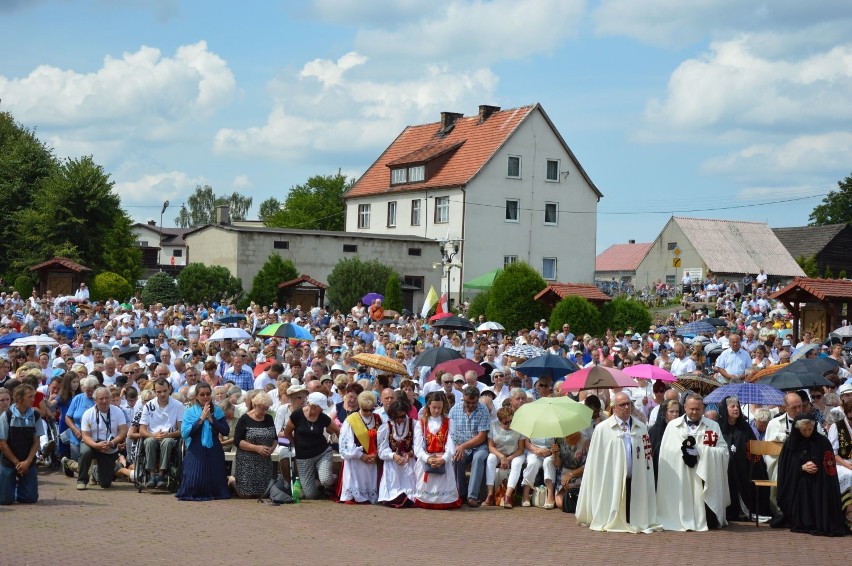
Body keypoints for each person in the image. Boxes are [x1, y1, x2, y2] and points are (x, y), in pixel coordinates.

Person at [576, 392, 660, 532]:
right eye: (622, 405)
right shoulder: (603, 428)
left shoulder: (641, 427)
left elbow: (646, 455)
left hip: (635, 477)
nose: (626, 407)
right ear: (614, 408)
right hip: (612, 477)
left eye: (629, 404)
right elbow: (597, 458)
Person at [656, 393, 730, 531]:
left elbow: (723, 451)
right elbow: (666, 452)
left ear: (703, 408)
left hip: (704, 473)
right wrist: (683, 452)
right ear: (685, 407)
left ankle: (708, 519)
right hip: (681, 473)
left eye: (698, 409)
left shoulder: (712, 426)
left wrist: (701, 451)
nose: (694, 412)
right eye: (691, 409)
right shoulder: (673, 426)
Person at [770, 414, 847, 536]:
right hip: (799, 481)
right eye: (804, 430)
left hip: (820, 481)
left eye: (810, 429)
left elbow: (830, 464)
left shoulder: (823, 442)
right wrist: (801, 467)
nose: (807, 433)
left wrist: (818, 466)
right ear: (798, 429)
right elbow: (785, 467)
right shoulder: (791, 443)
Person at [176, 382, 230, 501]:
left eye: (207, 394)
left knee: (215, 478)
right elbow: (184, 433)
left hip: (214, 447)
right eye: (202, 394)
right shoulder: (189, 412)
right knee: (195, 478)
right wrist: (200, 419)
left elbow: (225, 431)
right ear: (196, 396)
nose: (205, 397)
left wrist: (211, 419)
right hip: (196, 448)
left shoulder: (218, 411)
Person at [718, 395, 769, 521]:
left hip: (744, 467)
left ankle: (745, 509)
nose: (736, 409)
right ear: (725, 409)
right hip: (725, 466)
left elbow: (752, 446)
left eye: (738, 406)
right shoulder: (719, 426)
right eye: (732, 406)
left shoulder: (745, 427)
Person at [282, 392, 341, 500]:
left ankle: (334, 479)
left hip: (322, 452)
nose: (323, 410)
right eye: (321, 407)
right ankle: (319, 487)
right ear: (313, 406)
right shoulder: (297, 415)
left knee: (326, 480)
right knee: (310, 495)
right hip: (303, 457)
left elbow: (337, 430)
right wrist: (295, 443)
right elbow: (287, 432)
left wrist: (342, 446)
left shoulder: (323, 417)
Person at [413, 391, 460, 509]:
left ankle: (444, 499)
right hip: (426, 459)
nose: (436, 410)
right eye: (434, 407)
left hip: (443, 459)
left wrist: (443, 459)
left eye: (439, 407)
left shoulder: (449, 422)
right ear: (428, 405)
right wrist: (427, 459)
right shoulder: (421, 423)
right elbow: (417, 447)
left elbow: (451, 444)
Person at [0, 384, 44, 504]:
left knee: (30, 498)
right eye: (29, 397)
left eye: (33, 396)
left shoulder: (35, 416)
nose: (33, 400)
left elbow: (36, 442)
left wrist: (27, 462)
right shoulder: (7, 416)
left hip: (27, 461)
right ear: (19, 398)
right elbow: (2, 444)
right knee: (4, 500)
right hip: (9, 461)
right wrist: (17, 463)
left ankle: (16, 489)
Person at [77, 386, 128, 490]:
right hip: (92, 444)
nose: (104, 401)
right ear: (95, 400)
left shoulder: (118, 411)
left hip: (110, 445)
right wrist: (96, 445)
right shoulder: (88, 414)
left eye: (107, 398)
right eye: (101, 399)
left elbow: (123, 431)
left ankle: (95, 470)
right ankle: (82, 480)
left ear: (110, 398)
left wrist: (112, 443)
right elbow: (85, 436)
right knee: (85, 452)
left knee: (105, 484)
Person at [139, 378, 185, 489]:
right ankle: (151, 475)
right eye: (159, 392)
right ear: (155, 391)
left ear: (169, 389)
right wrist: (153, 435)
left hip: (170, 437)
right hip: (153, 436)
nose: (162, 394)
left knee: (167, 442)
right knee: (149, 441)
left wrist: (168, 435)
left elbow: (181, 430)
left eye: (165, 390)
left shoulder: (178, 405)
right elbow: (142, 430)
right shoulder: (148, 405)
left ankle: (161, 475)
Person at [229, 390, 276, 498]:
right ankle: (232, 480)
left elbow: (275, 437)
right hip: (247, 460)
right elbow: (237, 441)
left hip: (264, 460)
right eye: (262, 408)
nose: (265, 411)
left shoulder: (269, 418)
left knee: (263, 494)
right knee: (246, 495)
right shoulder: (244, 419)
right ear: (255, 405)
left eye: (267, 408)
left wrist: (272, 448)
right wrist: (256, 448)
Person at [449, 385, 490, 507]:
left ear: (478, 399)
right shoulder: (454, 410)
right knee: (457, 458)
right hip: (460, 445)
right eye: (468, 402)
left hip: (479, 446)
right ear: (463, 398)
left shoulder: (483, 410)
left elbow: (482, 436)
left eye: (474, 402)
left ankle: (472, 496)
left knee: (478, 459)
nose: (471, 405)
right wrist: (457, 446)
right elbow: (451, 433)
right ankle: (460, 494)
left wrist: (463, 446)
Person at [339, 391, 383, 504]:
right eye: (365, 410)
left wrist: (377, 454)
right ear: (360, 406)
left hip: (373, 459)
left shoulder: (378, 419)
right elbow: (345, 443)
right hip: (357, 459)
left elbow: (383, 438)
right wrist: (361, 455)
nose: (369, 413)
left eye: (371, 410)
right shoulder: (351, 420)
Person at [377, 399, 416, 508]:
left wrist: (411, 453)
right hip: (393, 462)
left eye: (403, 416)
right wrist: (393, 455)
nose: (400, 420)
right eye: (396, 417)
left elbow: (419, 445)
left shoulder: (413, 424)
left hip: (409, 461)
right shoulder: (386, 427)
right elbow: (381, 451)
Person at [484, 406, 525, 508]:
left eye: (511, 421)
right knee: (490, 458)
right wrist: (502, 457)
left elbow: (521, 449)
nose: (509, 424)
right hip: (499, 453)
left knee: (517, 463)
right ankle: (489, 494)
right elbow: (491, 446)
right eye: (506, 422)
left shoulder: (519, 426)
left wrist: (508, 459)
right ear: (499, 421)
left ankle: (508, 496)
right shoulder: (493, 425)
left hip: (515, 454)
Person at [827, 399, 852, 527]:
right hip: (840, 464)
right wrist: (848, 465)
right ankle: (849, 513)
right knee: (849, 475)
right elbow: (833, 453)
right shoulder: (836, 427)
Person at [554, 427, 591, 511]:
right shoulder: (560, 440)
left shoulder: (586, 441)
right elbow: (557, 464)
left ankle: (579, 499)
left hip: (580, 473)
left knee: (571, 502)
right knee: (560, 504)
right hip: (564, 474)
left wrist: (571, 474)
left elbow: (588, 466)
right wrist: (555, 453)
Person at [649, 398, 683, 482]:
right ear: (664, 413)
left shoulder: (683, 429)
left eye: (677, 411)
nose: (675, 414)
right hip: (660, 469)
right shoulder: (655, 431)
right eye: (671, 411)